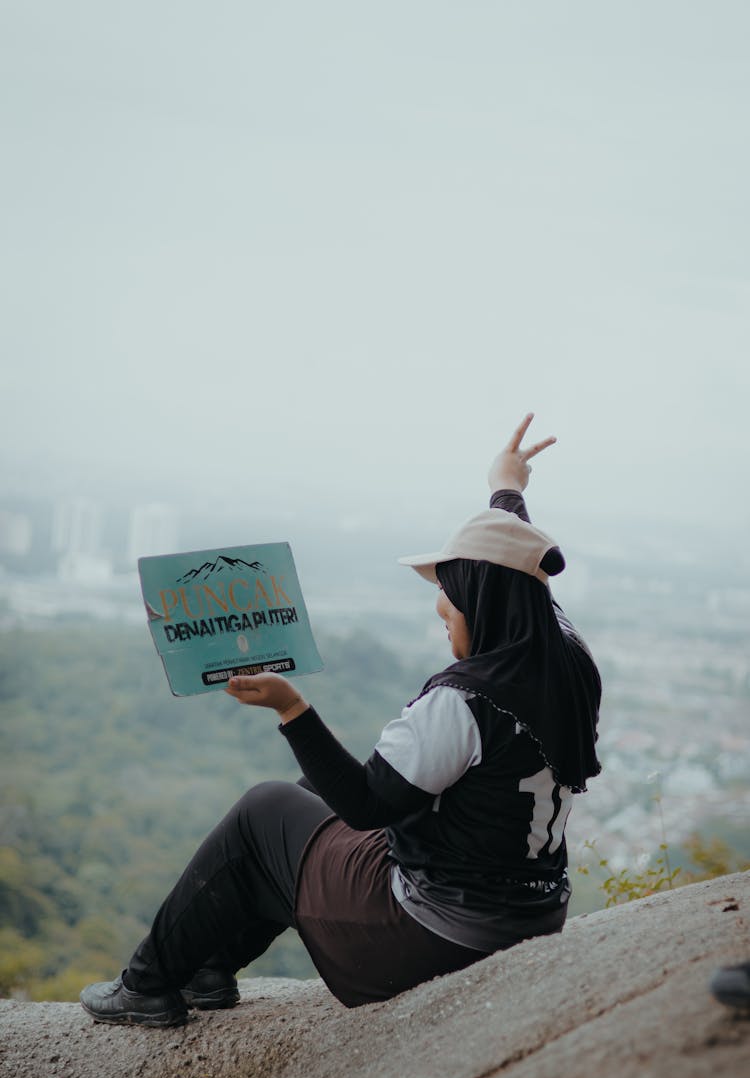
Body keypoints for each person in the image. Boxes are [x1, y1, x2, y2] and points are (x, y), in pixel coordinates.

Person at [80, 414, 602, 1027]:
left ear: (484, 605)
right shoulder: (568, 657)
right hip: (526, 913)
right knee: (308, 794)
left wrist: (291, 708)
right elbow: (522, 568)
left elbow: (365, 806)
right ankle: (208, 970)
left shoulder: (462, 704)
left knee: (263, 811)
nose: (441, 610)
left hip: (431, 939)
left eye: (451, 601)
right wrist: (505, 490)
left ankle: (146, 984)